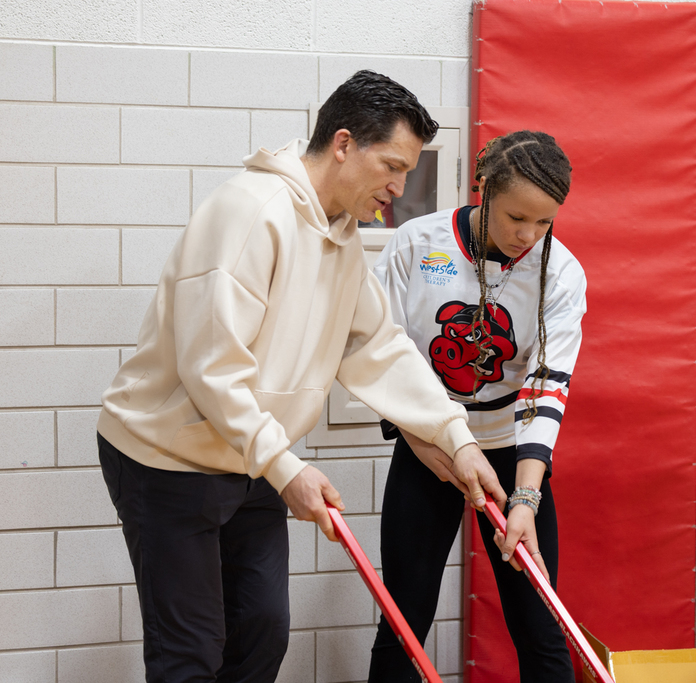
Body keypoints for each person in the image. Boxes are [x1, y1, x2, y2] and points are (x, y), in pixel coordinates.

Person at [95, 70, 504, 682]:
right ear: (343, 144)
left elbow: (376, 346)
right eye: (392, 166)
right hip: (167, 458)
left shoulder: (339, 233)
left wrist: (456, 437)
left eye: (407, 173)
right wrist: (287, 469)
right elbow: (211, 372)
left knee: (261, 634)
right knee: (193, 652)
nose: (397, 188)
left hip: (253, 455)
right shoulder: (248, 214)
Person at [367, 130, 585, 682]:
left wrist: (527, 497)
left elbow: (546, 387)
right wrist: (421, 436)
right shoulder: (417, 244)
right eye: (517, 217)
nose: (528, 235)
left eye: (544, 222)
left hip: (514, 454)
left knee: (540, 623)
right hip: (430, 447)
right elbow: (377, 352)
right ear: (484, 190)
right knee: (403, 621)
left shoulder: (560, 273)